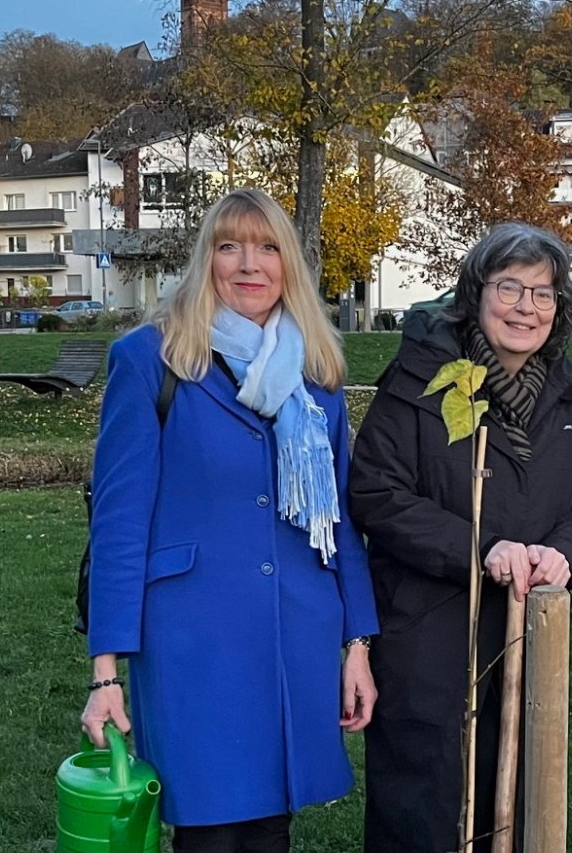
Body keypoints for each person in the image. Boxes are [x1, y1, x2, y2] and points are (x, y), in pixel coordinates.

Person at [80, 189, 378, 853]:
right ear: (205, 259)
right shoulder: (150, 360)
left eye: (268, 247)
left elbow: (341, 517)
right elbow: (120, 526)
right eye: (230, 247)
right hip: (195, 640)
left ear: (289, 264)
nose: (250, 264)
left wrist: (358, 644)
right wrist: (105, 672)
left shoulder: (315, 376)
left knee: (271, 828)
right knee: (211, 829)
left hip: (294, 631)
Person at [350, 222, 572, 853]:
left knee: (522, 797)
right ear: (475, 293)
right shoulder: (421, 382)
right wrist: (481, 548)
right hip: (430, 634)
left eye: (544, 294)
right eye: (510, 288)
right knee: (428, 806)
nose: (527, 308)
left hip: (531, 636)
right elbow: (376, 492)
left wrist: (566, 552)